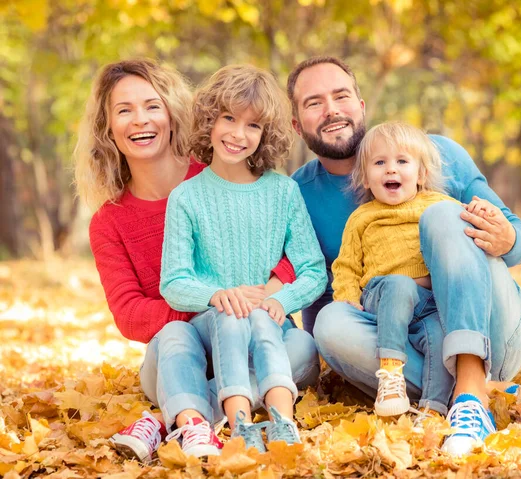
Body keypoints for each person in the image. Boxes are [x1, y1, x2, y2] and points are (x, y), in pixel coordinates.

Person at [287, 56, 521, 457]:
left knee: (442, 213)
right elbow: (319, 291)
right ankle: (484, 400)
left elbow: (519, 241)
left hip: (491, 327)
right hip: (403, 341)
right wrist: (329, 359)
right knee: (331, 322)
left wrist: (506, 237)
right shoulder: (296, 194)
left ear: (361, 104)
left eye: (341, 95)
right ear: (297, 124)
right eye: (314, 102)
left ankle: (474, 383)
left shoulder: (437, 152)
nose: (332, 109)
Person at [74, 59, 320, 463]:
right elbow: (130, 313)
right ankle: (198, 416)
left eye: (152, 106)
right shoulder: (113, 220)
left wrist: (267, 295)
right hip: (184, 346)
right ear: (107, 127)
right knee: (174, 349)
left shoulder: (222, 170)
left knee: (302, 350)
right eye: (124, 110)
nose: (140, 120)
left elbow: (290, 255)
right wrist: (220, 305)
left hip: (257, 331)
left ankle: (177, 422)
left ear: (173, 114)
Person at [160, 65, 327, 453]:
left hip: (268, 323)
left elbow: (313, 270)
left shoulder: (283, 192)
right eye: (229, 118)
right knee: (232, 318)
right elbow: (174, 281)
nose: (238, 134)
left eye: (253, 126)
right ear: (209, 121)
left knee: (302, 346)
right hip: (212, 325)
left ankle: (197, 411)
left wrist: (277, 301)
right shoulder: (186, 197)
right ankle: (240, 420)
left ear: (266, 135)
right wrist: (218, 294)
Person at [332, 121, 458, 417]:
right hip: (382, 294)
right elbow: (347, 265)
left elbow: (460, 232)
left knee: (440, 339)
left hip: (428, 303)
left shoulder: (438, 204)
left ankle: (433, 410)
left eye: (402, 161)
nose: (391, 169)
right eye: (380, 162)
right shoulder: (363, 217)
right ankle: (390, 375)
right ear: (365, 178)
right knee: (399, 284)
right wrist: (347, 295)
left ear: (421, 174)